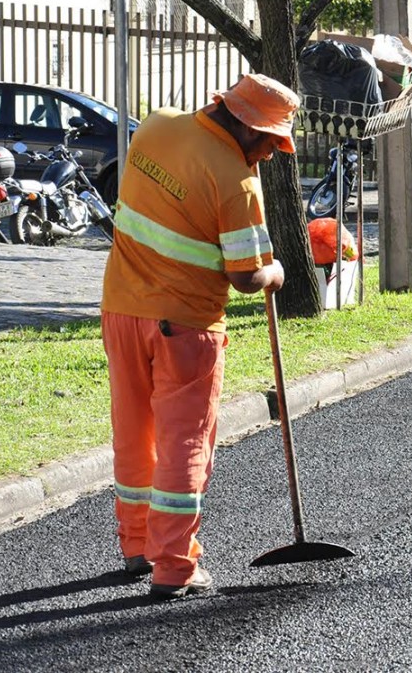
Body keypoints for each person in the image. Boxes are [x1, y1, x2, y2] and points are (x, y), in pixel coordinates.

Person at [101, 73, 293, 599]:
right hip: (185, 327)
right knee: (184, 443)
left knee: (133, 432)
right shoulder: (236, 182)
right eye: (273, 141)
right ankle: (175, 567)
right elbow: (246, 276)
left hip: (120, 310)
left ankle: (137, 544)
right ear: (249, 128)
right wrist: (276, 272)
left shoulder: (157, 126)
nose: (274, 154)